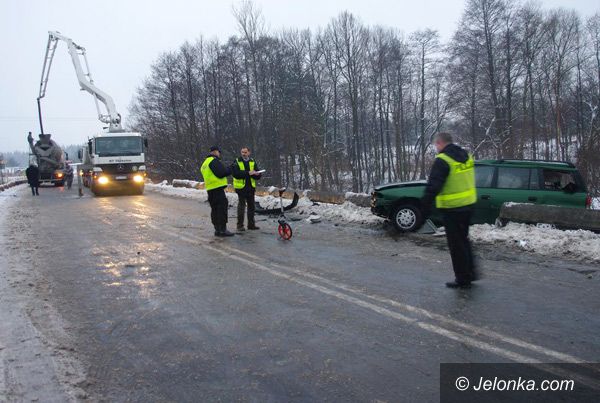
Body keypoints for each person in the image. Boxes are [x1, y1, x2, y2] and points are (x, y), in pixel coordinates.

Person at [421, 132, 478, 289]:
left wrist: (424, 208)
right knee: (463, 240)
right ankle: (470, 273)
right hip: (469, 205)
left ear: (440, 143)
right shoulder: (466, 155)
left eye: (436, 145)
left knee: (456, 245)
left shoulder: (443, 160)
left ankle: (463, 278)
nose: (436, 148)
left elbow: (433, 186)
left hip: (453, 209)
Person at [200, 146, 234, 237]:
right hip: (218, 189)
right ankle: (223, 230)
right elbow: (221, 173)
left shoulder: (204, 163)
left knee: (214, 210)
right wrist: (230, 169)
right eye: (219, 152)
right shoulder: (214, 161)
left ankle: (217, 229)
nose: (219, 154)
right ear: (215, 152)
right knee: (221, 209)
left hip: (210, 190)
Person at [231, 147, 262, 231]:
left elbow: (257, 173)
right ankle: (240, 226)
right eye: (242, 152)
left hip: (250, 187)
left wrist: (257, 174)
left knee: (251, 206)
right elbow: (235, 174)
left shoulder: (252, 161)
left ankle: (251, 225)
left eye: (245, 152)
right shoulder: (237, 161)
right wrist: (248, 173)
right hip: (241, 188)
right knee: (241, 206)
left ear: (249, 152)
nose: (243, 154)